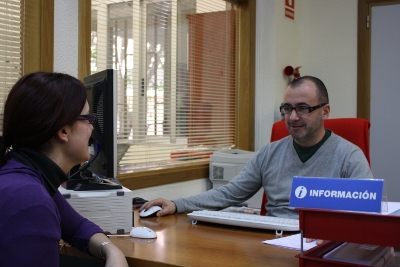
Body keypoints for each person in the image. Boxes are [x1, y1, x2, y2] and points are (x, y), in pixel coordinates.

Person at [140, 76, 373, 220]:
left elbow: (369, 213)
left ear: (325, 111)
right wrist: (178, 204)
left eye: (302, 108)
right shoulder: (270, 153)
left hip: (319, 244)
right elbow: (229, 193)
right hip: (273, 241)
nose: (292, 117)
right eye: (287, 108)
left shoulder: (349, 156)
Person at [0, 72, 128, 267]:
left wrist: (111, 251)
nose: (92, 127)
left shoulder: (27, 175)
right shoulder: (28, 197)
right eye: (88, 118)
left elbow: (76, 226)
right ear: (63, 131)